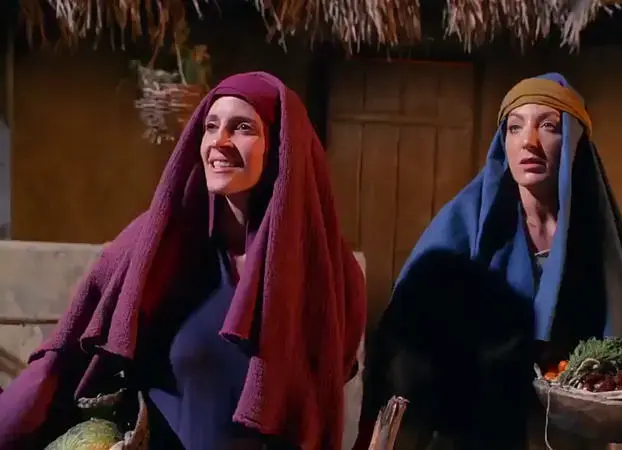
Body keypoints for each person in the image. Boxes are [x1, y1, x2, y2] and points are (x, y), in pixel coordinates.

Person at [0, 72, 367, 450]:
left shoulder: (331, 275)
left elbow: (321, 396)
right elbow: (62, 361)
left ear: (282, 148)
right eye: (211, 126)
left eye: (243, 128)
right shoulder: (155, 247)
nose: (219, 142)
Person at [354, 73, 622, 450]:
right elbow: (402, 348)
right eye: (515, 127)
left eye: (549, 126)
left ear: (575, 143)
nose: (529, 142)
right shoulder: (461, 234)